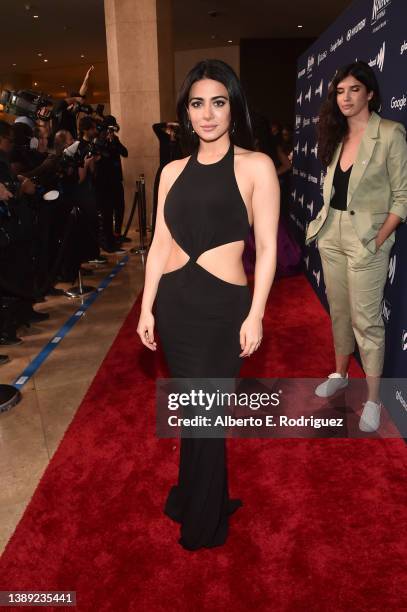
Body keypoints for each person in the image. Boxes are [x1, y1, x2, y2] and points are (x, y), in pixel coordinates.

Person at [137, 59, 280, 550]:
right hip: (176, 305)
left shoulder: (256, 165)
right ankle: (202, 499)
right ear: (186, 112)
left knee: (206, 417)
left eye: (218, 102)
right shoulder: (171, 171)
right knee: (196, 415)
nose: (207, 114)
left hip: (223, 309)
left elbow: (267, 248)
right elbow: (158, 244)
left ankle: (202, 519)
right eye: (197, 104)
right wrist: (146, 307)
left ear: (233, 108)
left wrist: (256, 312)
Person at [306, 60, 407, 432]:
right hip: (331, 232)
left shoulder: (391, 133)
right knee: (340, 312)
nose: (345, 97)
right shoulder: (335, 133)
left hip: (368, 238)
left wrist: (379, 240)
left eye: (354, 90)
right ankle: (339, 373)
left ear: (370, 94)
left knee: (367, 321)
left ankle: (373, 400)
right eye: (340, 90)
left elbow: (402, 197)